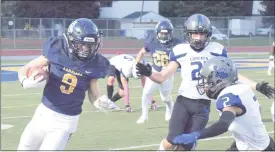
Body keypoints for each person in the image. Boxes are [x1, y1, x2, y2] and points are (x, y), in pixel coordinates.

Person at [136, 14, 275, 151]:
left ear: (207, 34)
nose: (197, 37)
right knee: (172, 140)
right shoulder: (180, 50)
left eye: (201, 34)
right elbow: (161, 76)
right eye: (194, 33)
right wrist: (148, 73)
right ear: (188, 34)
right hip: (184, 100)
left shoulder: (217, 50)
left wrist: (255, 85)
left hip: (203, 104)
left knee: (186, 146)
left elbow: (231, 74)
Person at [17, 18, 113, 150]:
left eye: (89, 45)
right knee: (24, 149)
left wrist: (99, 101)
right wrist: (25, 81)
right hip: (42, 114)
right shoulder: (57, 48)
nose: (85, 49)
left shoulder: (96, 63)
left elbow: (93, 93)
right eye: (81, 44)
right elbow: (25, 68)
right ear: (70, 40)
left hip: (66, 121)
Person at [172, 56, 275, 151]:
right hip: (258, 144)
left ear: (219, 80)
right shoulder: (241, 87)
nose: (205, 85)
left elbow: (223, 125)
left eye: (208, 80)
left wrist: (195, 135)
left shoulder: (228, 96)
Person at [135, 20, 183, 124]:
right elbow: (141, 52)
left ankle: (169, 109)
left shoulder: (176, 44)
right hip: (154, 72)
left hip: (167, 74)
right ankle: (144, 115)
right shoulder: (152, 42)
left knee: (165, 98)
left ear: (170, 34)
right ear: (157, 33)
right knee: (146, 93)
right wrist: (137, 65)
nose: (163, 36)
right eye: (161, 34)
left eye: (166, 34)